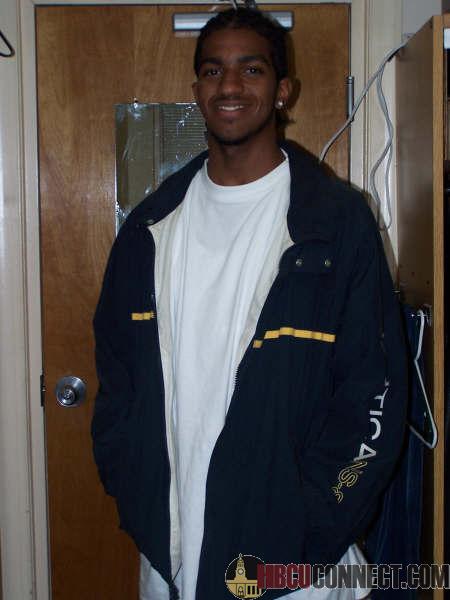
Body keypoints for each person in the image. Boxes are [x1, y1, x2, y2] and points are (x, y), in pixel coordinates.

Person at [91, 7, 407, 600]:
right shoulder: (149, 229)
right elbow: (118, 381)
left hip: (298, 572)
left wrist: (313, 524)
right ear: (197, 91)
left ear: (284, 90)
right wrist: (133, 489)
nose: (230, 86)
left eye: (251, 69)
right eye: (213, 71)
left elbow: (374, 393)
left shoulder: (337, 225)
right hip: (171, 561)